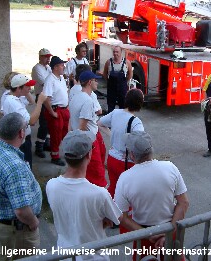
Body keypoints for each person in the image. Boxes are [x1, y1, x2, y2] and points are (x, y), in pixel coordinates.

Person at [46, 130, 122, 260]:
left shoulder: (51, 185)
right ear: (89, 155)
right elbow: (116, 219)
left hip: (65, 254)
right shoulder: (99, 193)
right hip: (93, 256)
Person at [114, 131, 189, 260]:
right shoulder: (170, 167)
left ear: (132, 154)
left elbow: (121, 216)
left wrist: (149, 234)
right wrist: (169, 232)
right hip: (171, 229)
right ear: (151, 150)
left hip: (144, 236)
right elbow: (184, 203)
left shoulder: (125, 178)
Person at [0, 112, 42, 261]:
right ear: (21, 133)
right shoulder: (14, 167)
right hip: (18, 230)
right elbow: (21, 211)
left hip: (0, 221)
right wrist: (33, 222)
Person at [98, 88, 144, 199]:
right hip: (125, 162)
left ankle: (109, 212)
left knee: (113, 188)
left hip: (112, 158)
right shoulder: (136, 122)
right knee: (128, 194)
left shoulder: (115, 113)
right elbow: (140, 143)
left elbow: (99, 123)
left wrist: (112, 134)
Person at [69, 71, 107, 187]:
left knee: (88, 172)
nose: (97, 82)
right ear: (90, 82)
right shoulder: (88, 101)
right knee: (98, 175)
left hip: (84, 140)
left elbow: (72, 122)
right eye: (95, 80)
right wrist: (88, 147)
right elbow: (82, 126)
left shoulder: (76, 97)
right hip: (89, 141)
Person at [2, 74, 47, 169]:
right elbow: (32, 121)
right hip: (21, 143)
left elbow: (31, 102)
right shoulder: (13, 102)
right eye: (27, 86)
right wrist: (40, 102)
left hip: (23, 140)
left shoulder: (15, 98)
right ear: (18, 88)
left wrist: (26, 92)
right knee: (26, 168)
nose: (30, 88)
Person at [43, 56, 70, 166]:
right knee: (56, 135)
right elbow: (46, 99)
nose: (63, 67)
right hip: (56, 110)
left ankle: (65, 151)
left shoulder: (61, 78)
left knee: (64, 133)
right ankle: (55, 156)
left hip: (63, 110)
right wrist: (52, 112)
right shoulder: (50, 80)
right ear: (55, 67)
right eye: (61, 65)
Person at [31, 48, 52, 158]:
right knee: (44, 123)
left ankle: (46, 142)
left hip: (49, 96)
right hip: (42, 96)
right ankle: (39, 146)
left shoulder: (48, 68)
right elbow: (45, 82)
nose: (48, 59)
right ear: (40, 57)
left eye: (49, 57)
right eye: (46, 57)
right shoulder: (36, 68)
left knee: (49, 121)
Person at [103, 45, 133, 113]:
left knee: (123, 106)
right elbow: (104, 74)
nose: (115, 53)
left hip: (122, 88)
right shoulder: (108, 62)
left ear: (121, 52)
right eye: (114, 52)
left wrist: (125, 81)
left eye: (117, 52)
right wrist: (109, 82)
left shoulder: (126, 62)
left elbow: (130, 74)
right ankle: (111, 120)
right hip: (111, 88)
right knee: (111, 107)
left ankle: (122, 121)